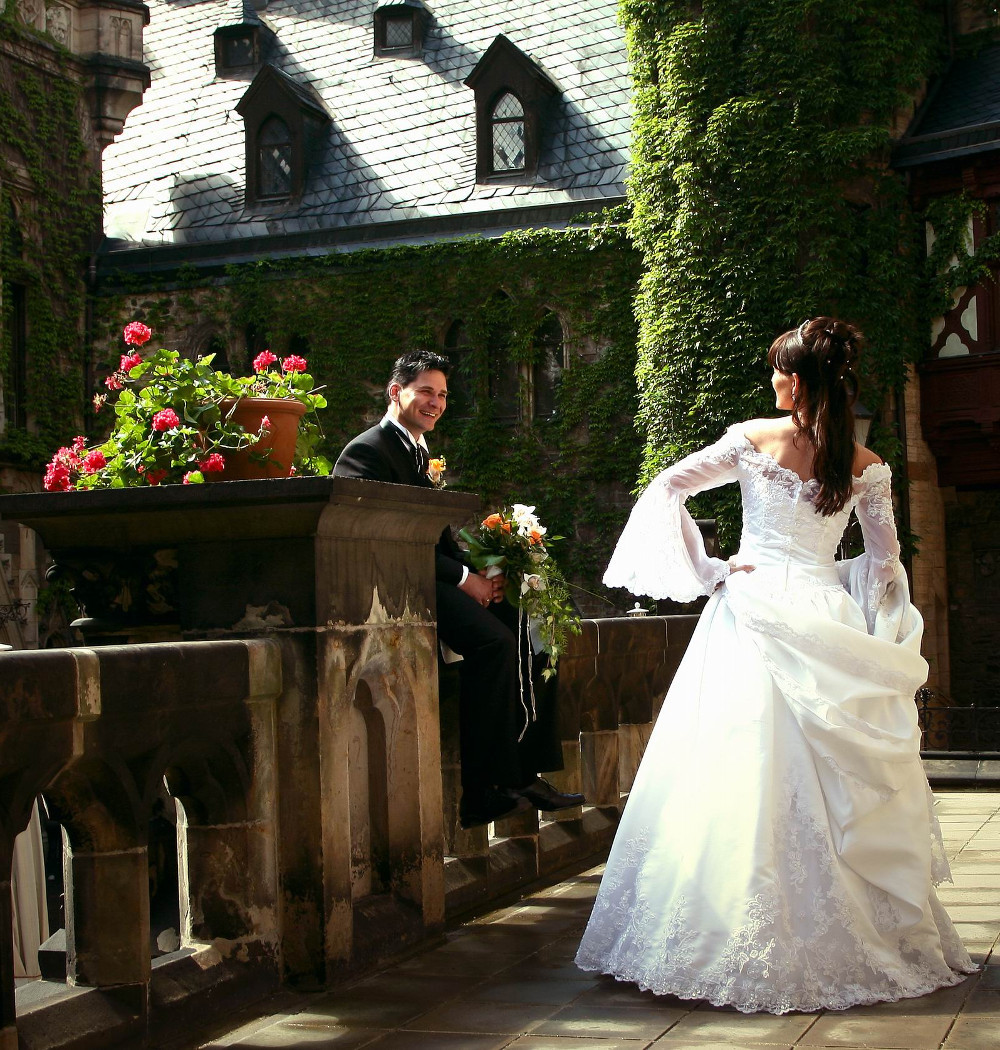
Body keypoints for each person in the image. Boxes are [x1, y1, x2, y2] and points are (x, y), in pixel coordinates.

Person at [575, 317, 975, 1013]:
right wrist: (877, 639)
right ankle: (848, 932)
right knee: (828, 779)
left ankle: (710, 932)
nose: (770, 382)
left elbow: (668, 487)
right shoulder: (865, 462)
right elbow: (884, 565)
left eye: (775, 372)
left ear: (793, 380)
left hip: (751, 607)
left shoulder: (754, 440)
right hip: (824, 612)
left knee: (734, 765)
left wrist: (710, 570)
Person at [334, 350, 584, 829]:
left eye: (443, 394)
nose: (435, 402)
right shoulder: (367, 452)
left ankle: (522, 771)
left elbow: (439, 539)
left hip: (432, 572)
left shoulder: (420, 452)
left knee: (531, 624)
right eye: (425, 391)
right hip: (397, 584)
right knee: (491, 645)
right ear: (396, 392)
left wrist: (488, 572)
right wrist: (463, 579)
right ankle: (480, 791)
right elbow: (379, 539)